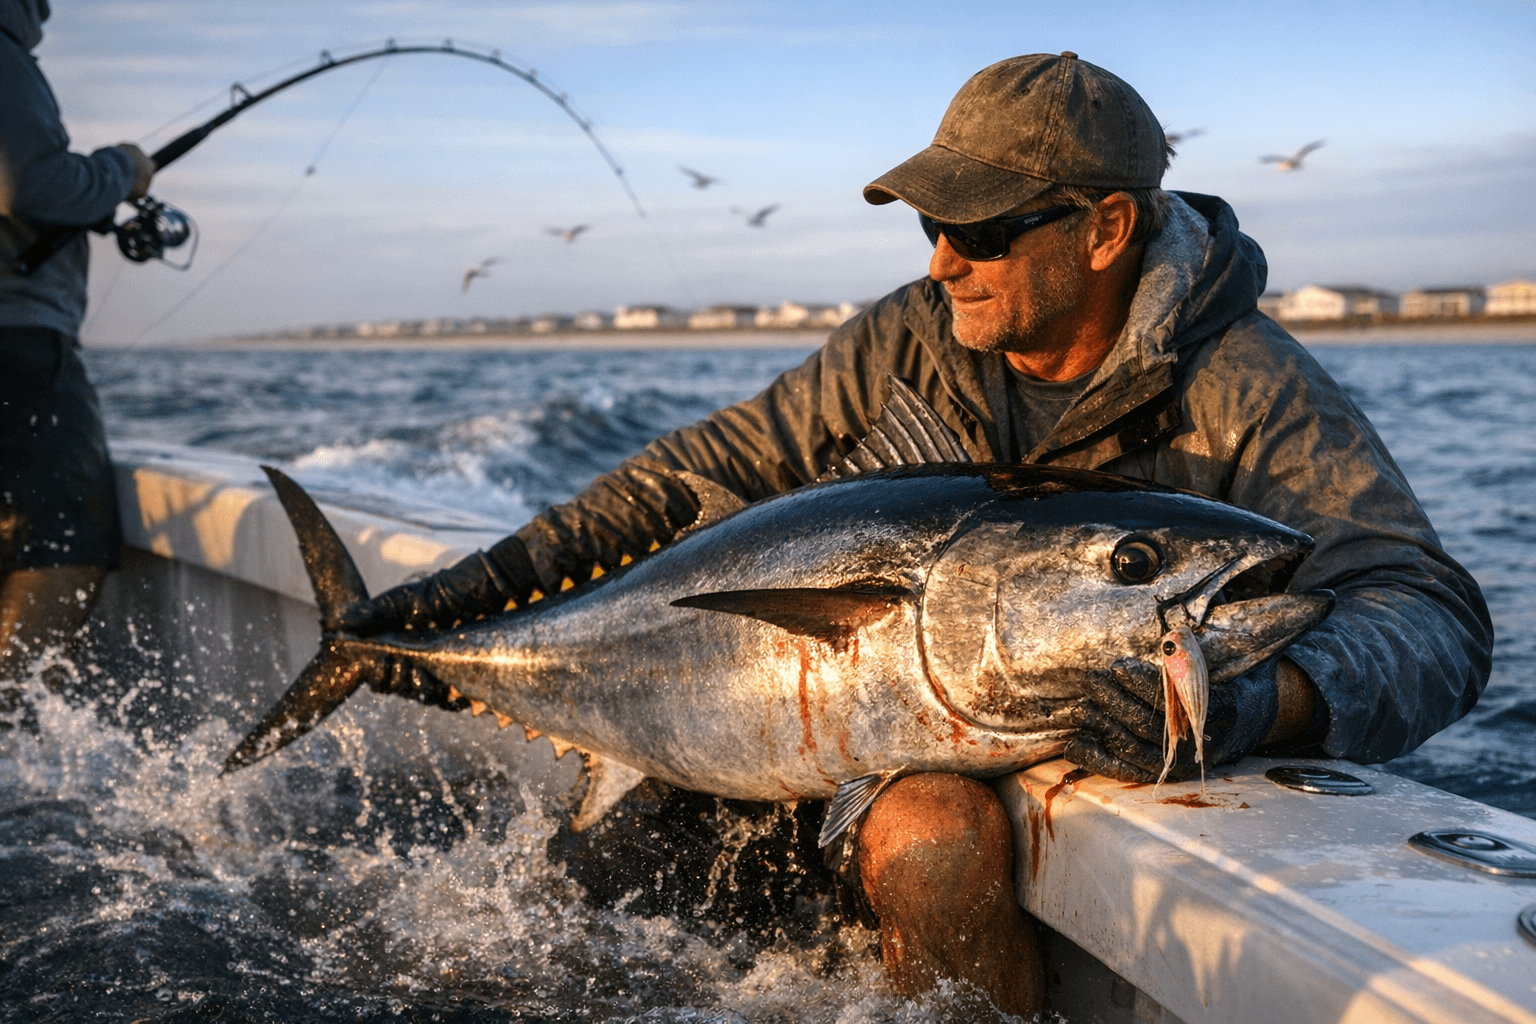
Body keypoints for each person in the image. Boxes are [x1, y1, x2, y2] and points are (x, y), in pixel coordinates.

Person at [337, 53, 1492, 1017]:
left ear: (1106, 229)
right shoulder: (913, 336)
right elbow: (705, 469)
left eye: (980, 229)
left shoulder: (1252, 389)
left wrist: (1261, 702)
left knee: (938, 829)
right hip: (816, 713)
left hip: (963, 754)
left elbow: (1429, 610)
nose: (943, 261)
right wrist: (468, 593)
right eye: (934, 225)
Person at [0, 0, 154, 680]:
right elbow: (32, 185)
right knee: (64, 545)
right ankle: (11, 725)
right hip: (19, 343)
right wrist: (122, 169)